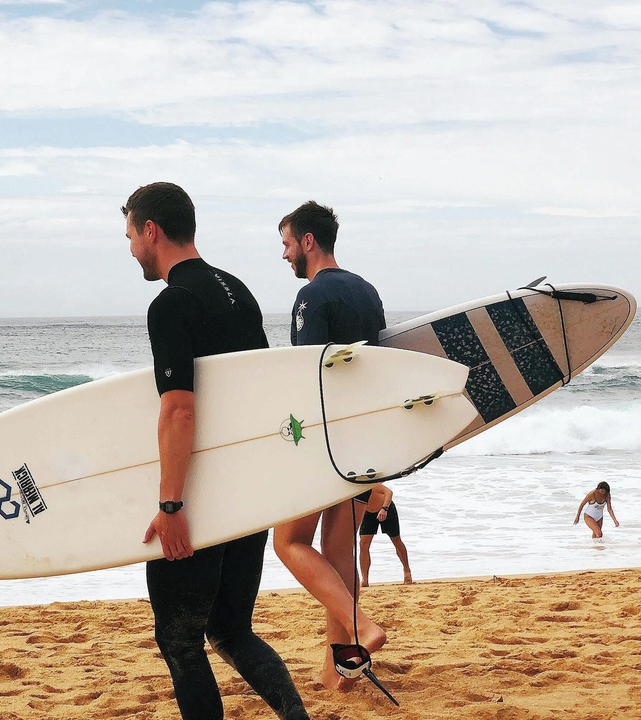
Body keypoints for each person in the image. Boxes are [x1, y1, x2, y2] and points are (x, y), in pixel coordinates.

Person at [125, 182, 309, 720]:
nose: (131, 247)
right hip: (246, 493)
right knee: (230, 629)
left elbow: (179, 410)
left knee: (180, 642)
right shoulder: (238, 291)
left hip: (199, 499)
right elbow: (261, 396)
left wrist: (171, 507)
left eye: (131, 235)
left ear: (151, 230)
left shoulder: (171, 305)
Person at [270, 200, 388, 692]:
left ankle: (361, 628)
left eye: (286, 244)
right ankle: (340, 672)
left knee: (289, 542)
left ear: (308, 242)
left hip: (324, 441)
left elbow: (307, 376)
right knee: (339, 562)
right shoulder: (367, 292)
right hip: (362, 439)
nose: (284, 256)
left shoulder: (312, 297)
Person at [357, 484, 413, 587]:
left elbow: (389, 492)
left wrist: (384, 509)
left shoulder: (369, 483)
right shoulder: (350, 489)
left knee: (396, 540)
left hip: (386, 509)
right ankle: (364, 579)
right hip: (367, 513)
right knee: (363, 544)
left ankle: (407, 571)